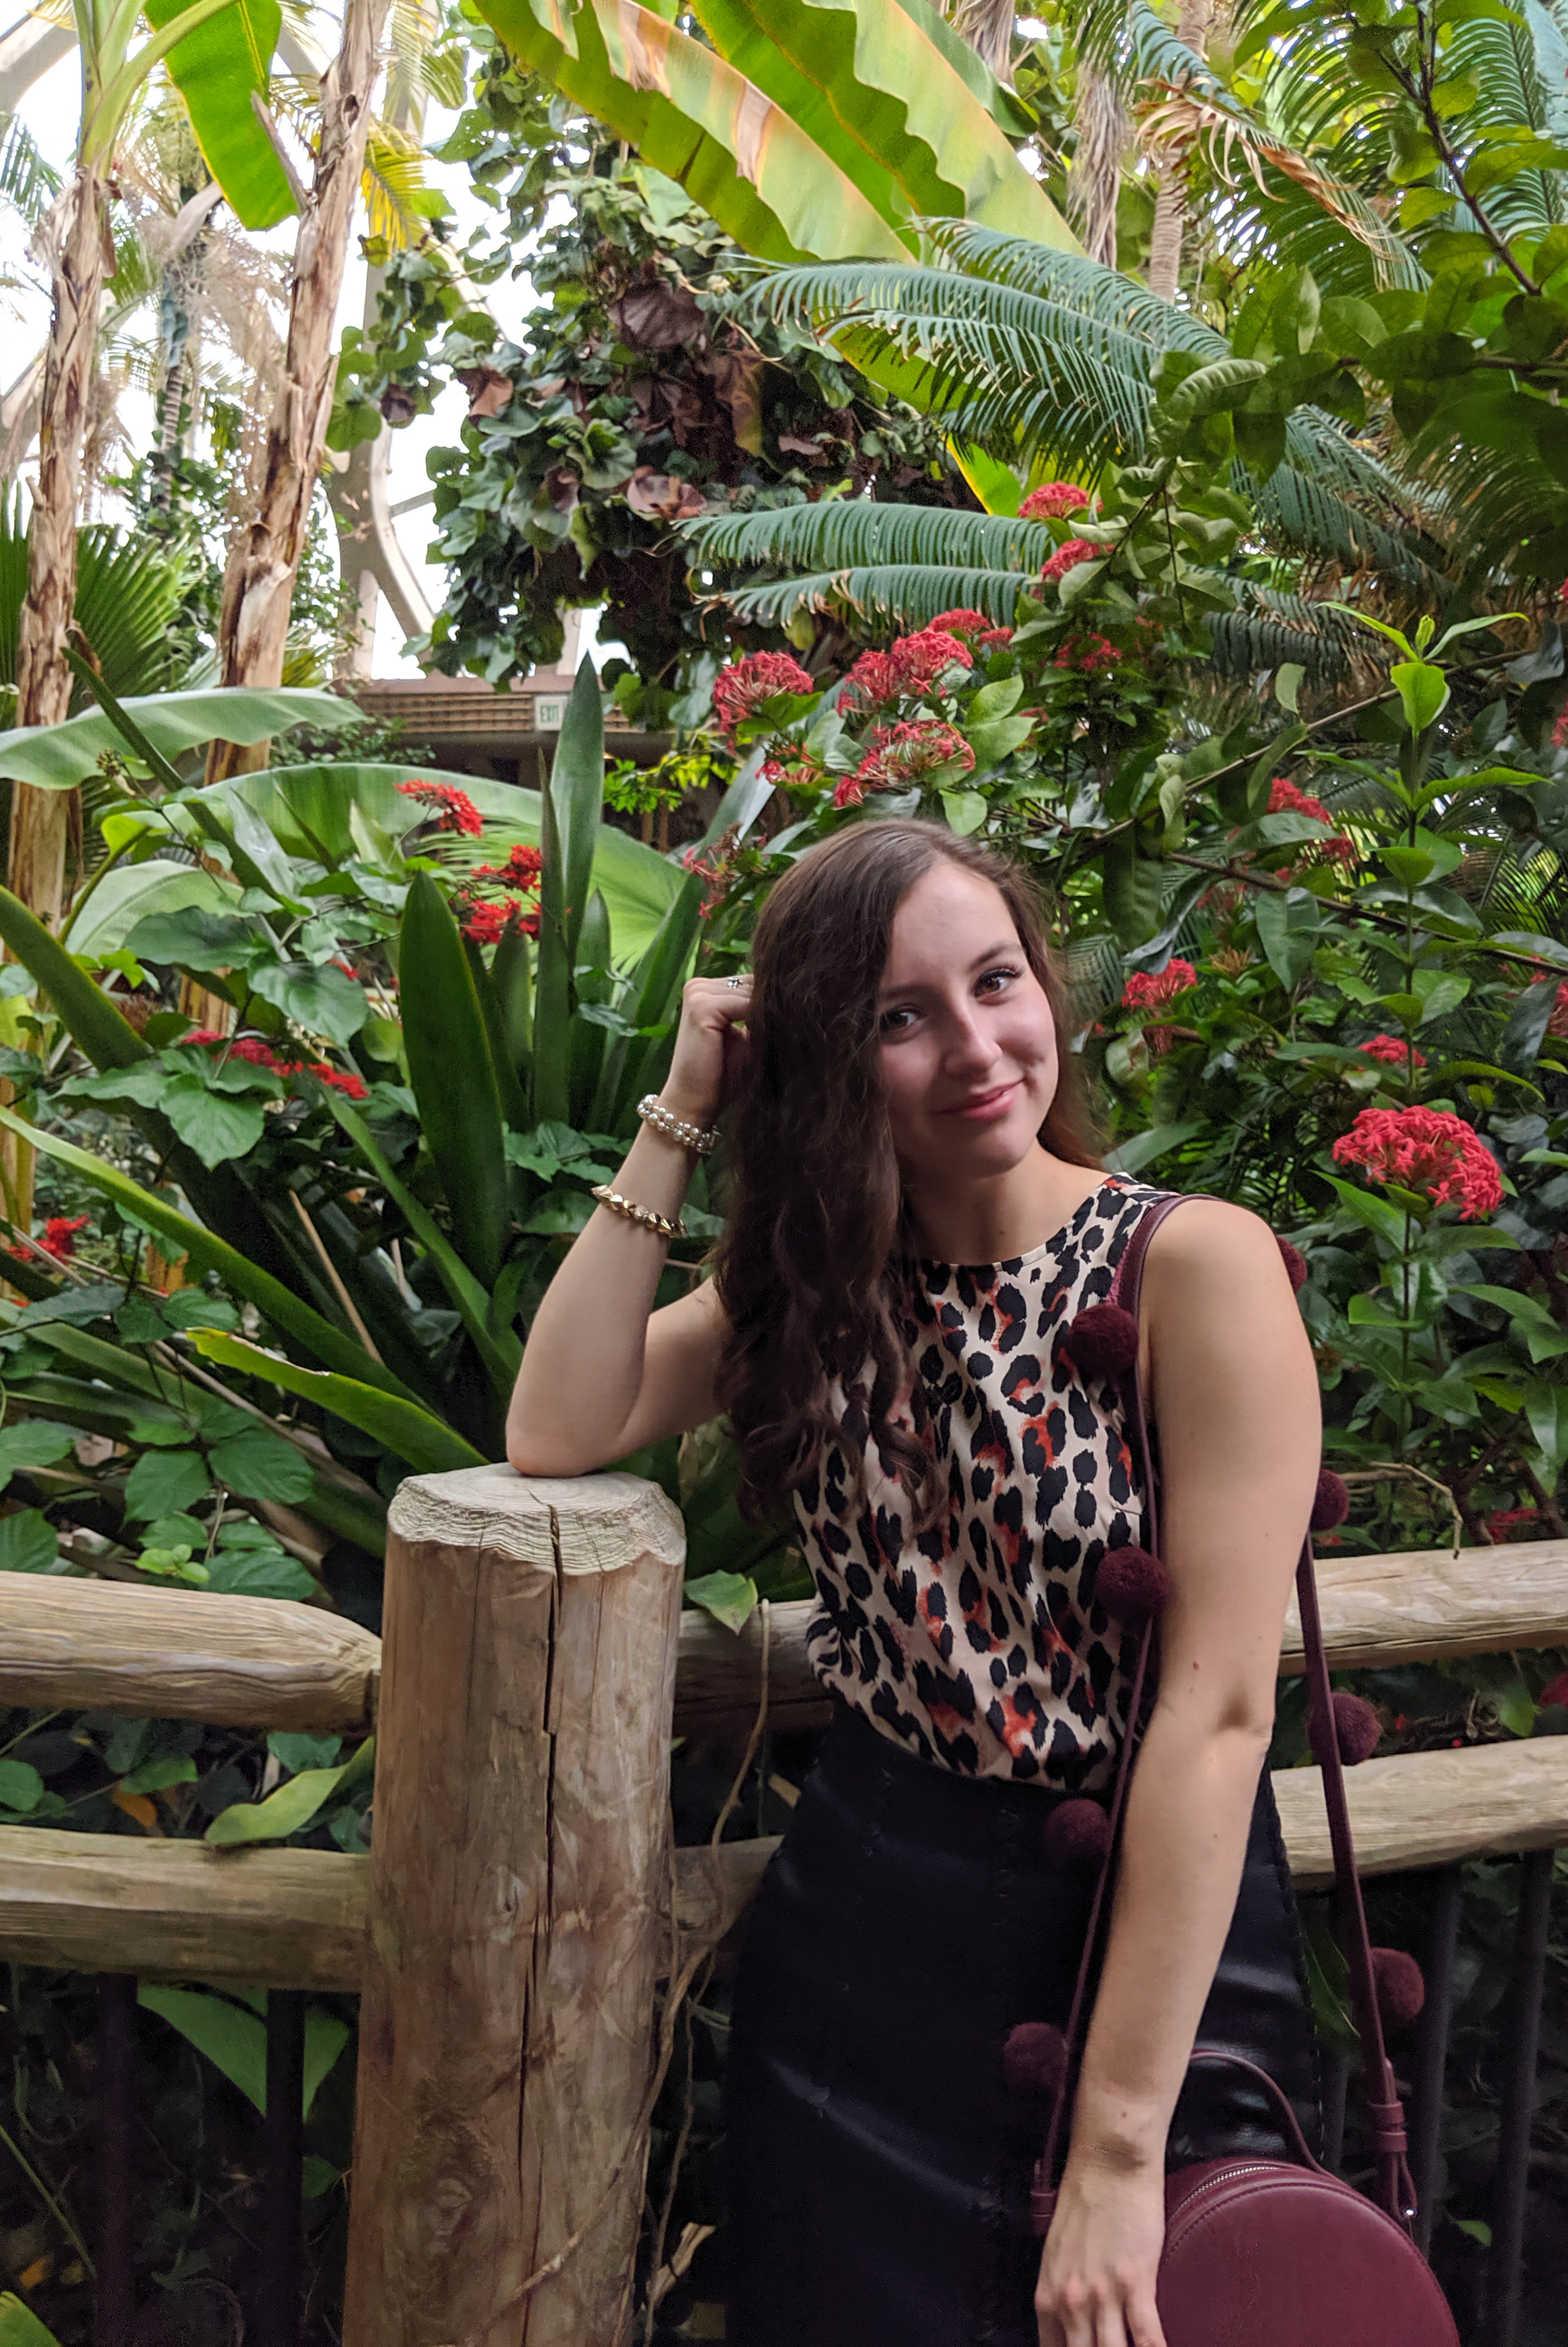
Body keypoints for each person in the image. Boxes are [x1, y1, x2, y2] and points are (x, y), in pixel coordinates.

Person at [508, 817, 1325, 2347]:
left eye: (998, 982)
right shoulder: (820, 1294)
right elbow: (555, 1426)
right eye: (899, 1016)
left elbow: (1217, 1717)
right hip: (869, 1924)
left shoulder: (1191, 1270)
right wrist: (682, 1109)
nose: (976, 1046)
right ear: (826, 1059)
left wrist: (1117, 2146)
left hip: (1136, 1944)